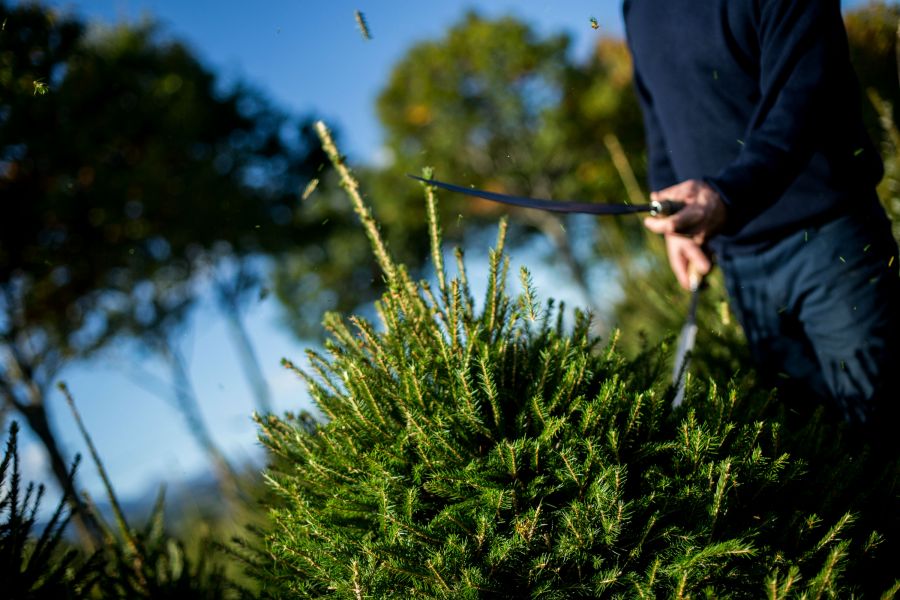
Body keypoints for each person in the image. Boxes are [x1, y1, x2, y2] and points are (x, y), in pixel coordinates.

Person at [623, 0, 900, 425]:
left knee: (880, 430)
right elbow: (658, 118)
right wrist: (673, 218)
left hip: (831, 241)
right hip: (740, 263)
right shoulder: (636, 7)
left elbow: (802, 101)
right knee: (805, 448)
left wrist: (726, 196)